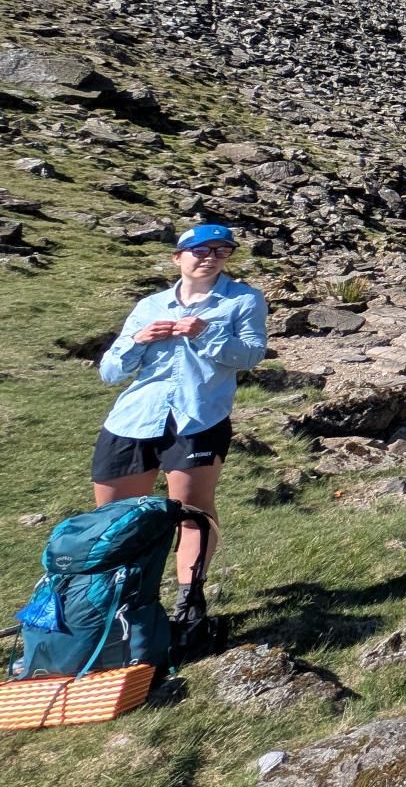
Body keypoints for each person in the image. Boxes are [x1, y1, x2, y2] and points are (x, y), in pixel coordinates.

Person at [92, 222, 268, 619]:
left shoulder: (243, 301)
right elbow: (111, 373)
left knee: (191, 508)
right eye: (201, 251)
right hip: (134, 419)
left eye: (221, 251)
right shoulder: (149, 306)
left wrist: (207, 335)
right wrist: (140, 340)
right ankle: (116, 602)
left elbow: (252, 356)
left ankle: (190, 601)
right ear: (178, 257)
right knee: (114, 517)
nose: (210, 258)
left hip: (198, 418)